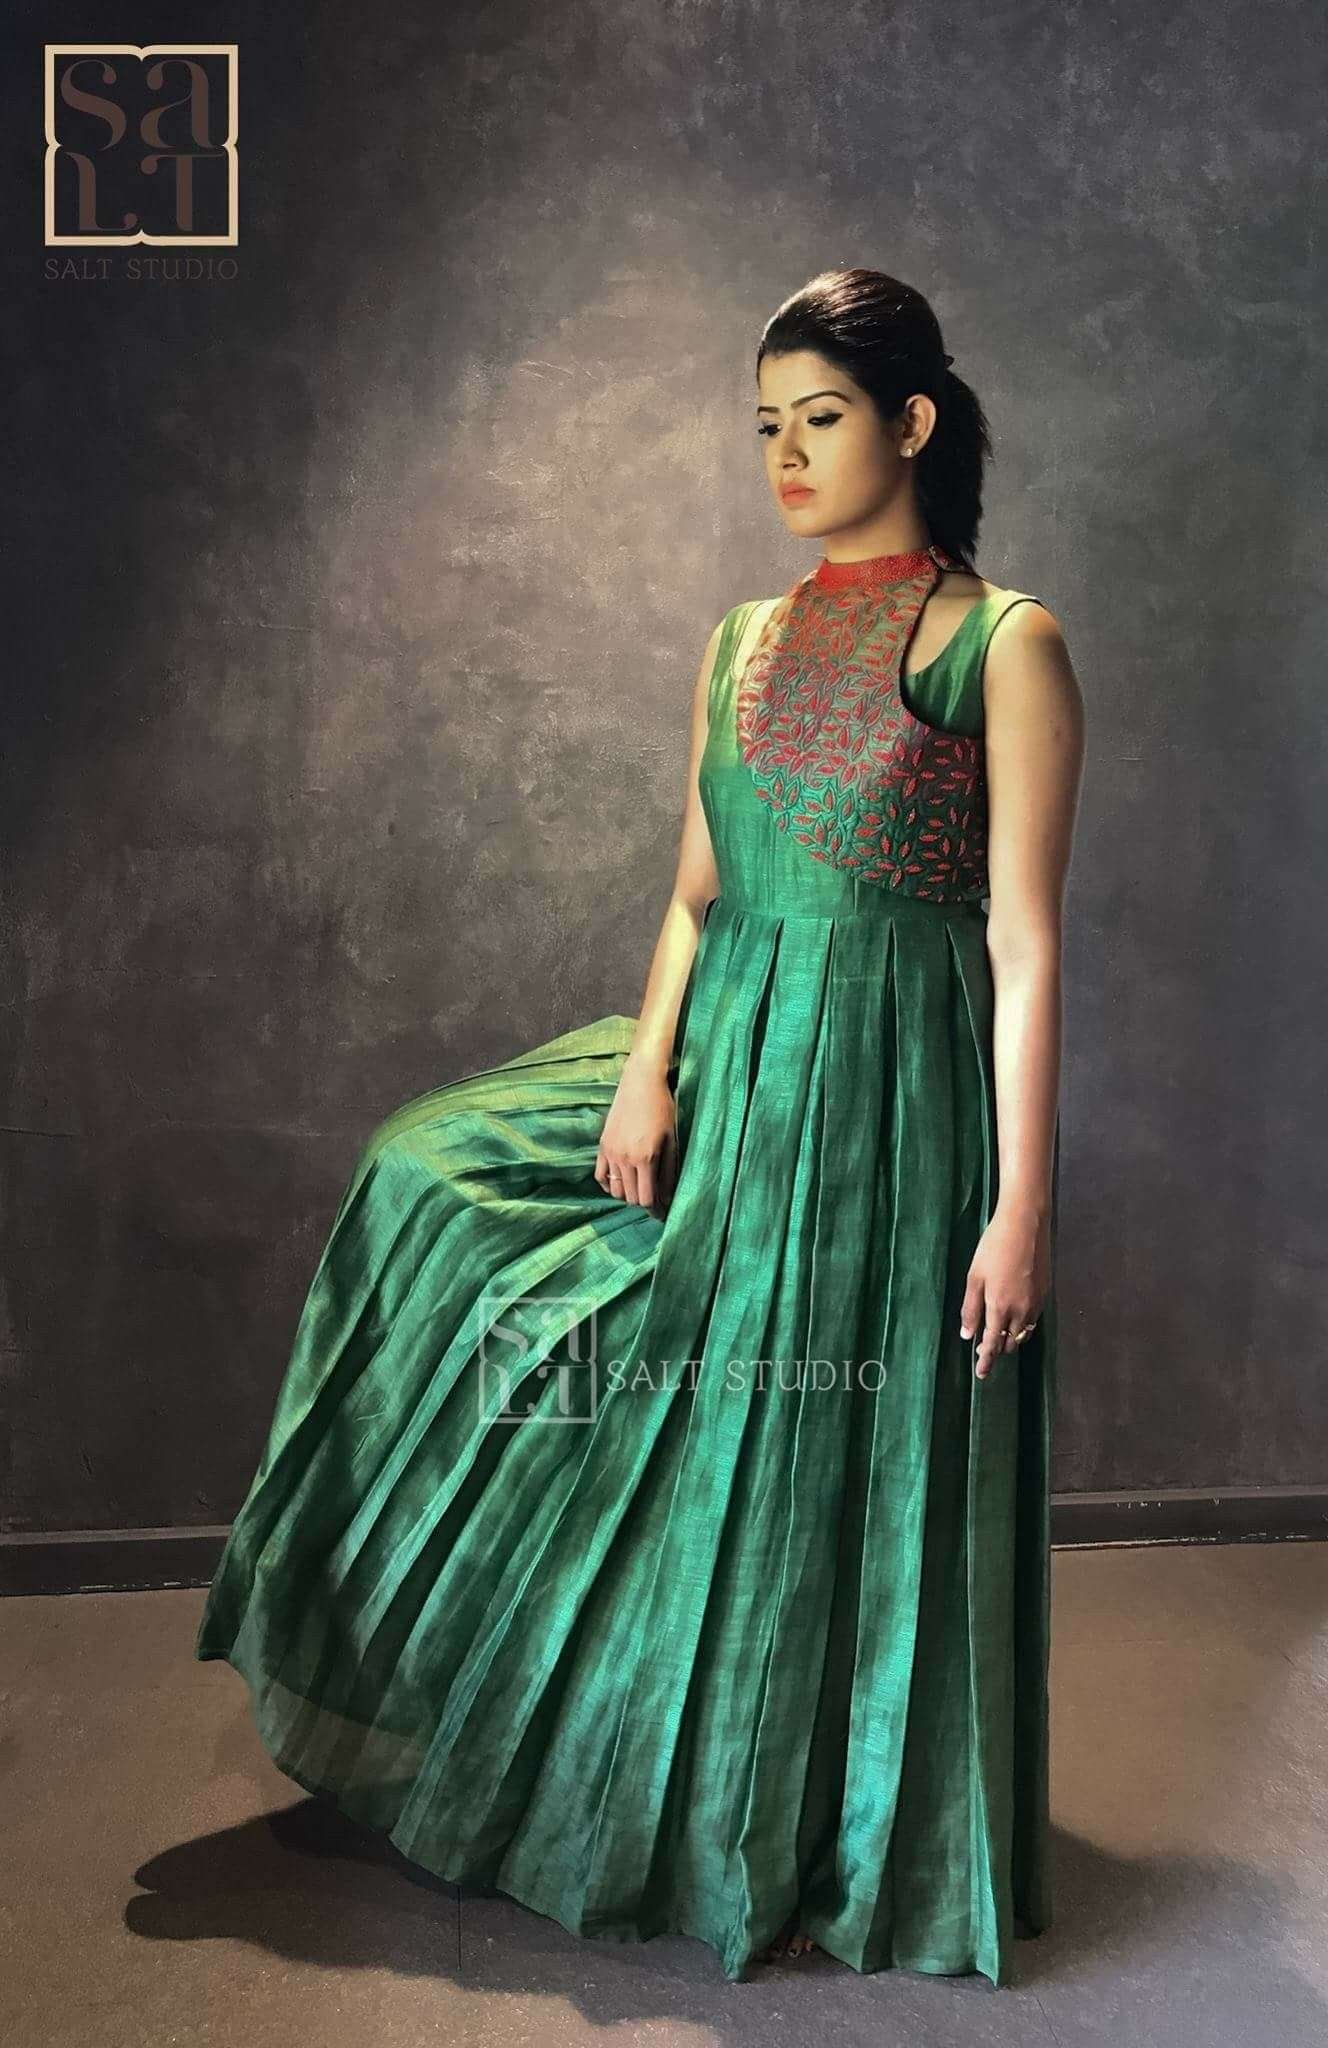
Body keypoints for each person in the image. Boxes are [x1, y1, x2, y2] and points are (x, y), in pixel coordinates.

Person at [196, 265, 1085, 1988]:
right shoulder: (741, 643)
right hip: (735, 1072)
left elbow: (1027, 946)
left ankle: (842, 1840)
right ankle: (645, 1780)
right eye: (766, 427)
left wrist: (1021, 1207)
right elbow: (693, 893)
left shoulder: (1004, 643)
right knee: (441, 1191)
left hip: (897, 1110)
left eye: (819, 418)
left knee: (844, 1454)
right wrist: (645, 1069)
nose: (786, 455)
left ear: (910, 423)